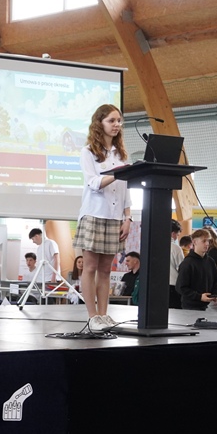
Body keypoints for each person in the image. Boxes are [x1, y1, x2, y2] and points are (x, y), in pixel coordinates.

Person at [72, 104, 132, 331]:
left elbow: (125, 189)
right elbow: (93, 183)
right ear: (100, 123)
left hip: (115, 217)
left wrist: (128, 218)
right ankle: (92, 316)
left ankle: (104, 315)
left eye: (119, 121)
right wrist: (118, 173)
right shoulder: (88, 152)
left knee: (106, 269)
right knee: (89, 267)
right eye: (111, 120)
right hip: (94, 214)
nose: (117, 125)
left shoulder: (120, 154)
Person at [176, 228, 217, 311]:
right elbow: (181, 287)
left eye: (208, 241)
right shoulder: (187, 263)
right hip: (190, 307)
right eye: (204, 241)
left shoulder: (210, 261)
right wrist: (199, 297)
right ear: (194, 242)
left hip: (208, 306)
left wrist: (215, 294)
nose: (207, 244)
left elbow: (216, 281)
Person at [168, 219, 184, 309]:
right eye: (177, 235)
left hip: (156, 286)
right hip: (173, 286)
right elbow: (182, 268)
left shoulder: (154, 246)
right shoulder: (176, 248)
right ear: (173, 233)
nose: (177, 238)